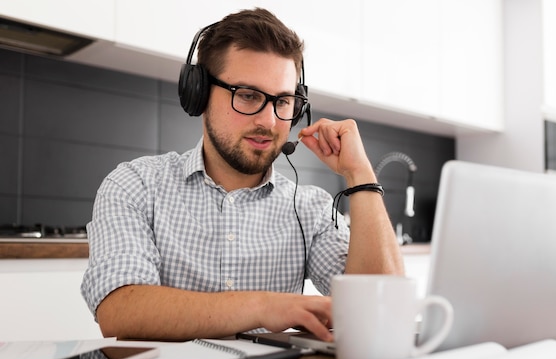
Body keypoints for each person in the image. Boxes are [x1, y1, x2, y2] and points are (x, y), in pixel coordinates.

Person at [80, 8, 404, 342]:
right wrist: (263, 307)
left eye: (284, 101)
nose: (269, 120)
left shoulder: (312, 210)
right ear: (200, 93)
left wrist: (360, 175)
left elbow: (382, 309)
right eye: (248, 96)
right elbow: (119, 310)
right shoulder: (135, 186)